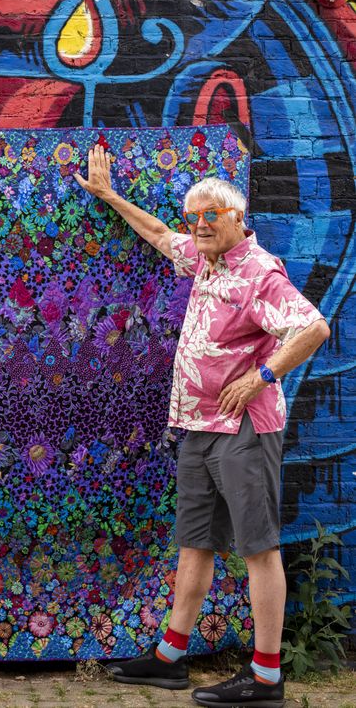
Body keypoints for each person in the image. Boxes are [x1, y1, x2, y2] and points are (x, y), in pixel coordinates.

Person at [75, 145, 330, 708]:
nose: (199, 226)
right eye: (195, 217)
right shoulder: (205, 257)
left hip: (243, 427)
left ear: (239, 218)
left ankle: (266, 676)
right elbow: (160, 235)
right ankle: (170, 659)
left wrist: (263, 375)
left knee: (258, 548)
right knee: (196, 544)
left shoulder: (260, 274)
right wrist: (109, 194)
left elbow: (313, 328)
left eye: (211, 215)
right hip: (197, 425)